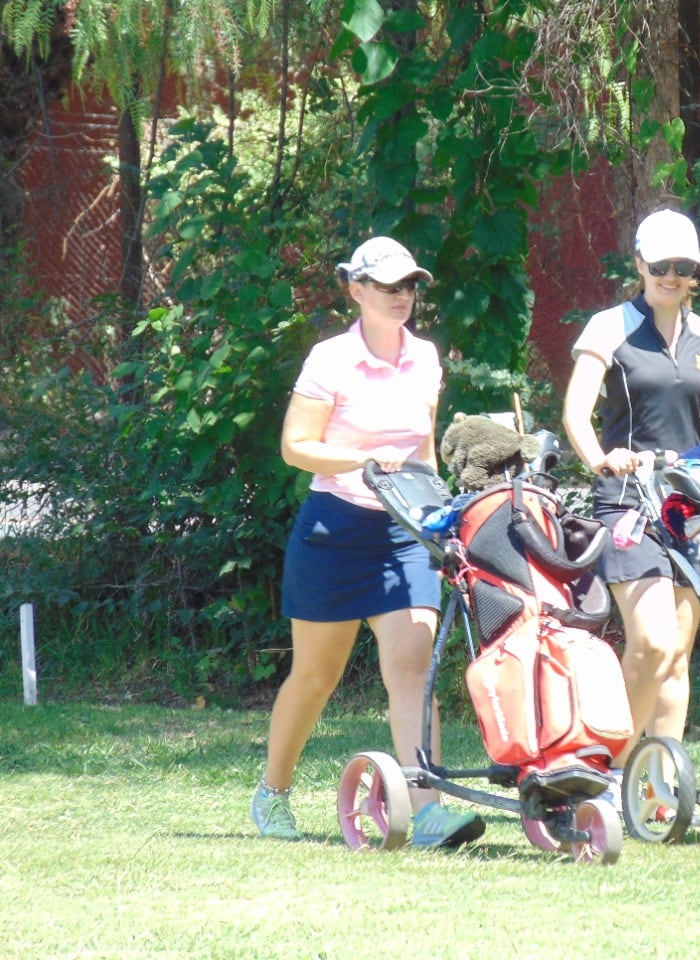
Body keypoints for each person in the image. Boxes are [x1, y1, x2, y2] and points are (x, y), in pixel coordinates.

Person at [250, 236, 484, 849]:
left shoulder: (427, 357)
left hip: (405, 532)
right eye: (386, 286)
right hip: (335, 528)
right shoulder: (329, 359)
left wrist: (440, 515)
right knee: (315, 677)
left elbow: (426, 446)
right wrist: (364, 459)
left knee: (412, 666)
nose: (401, 297)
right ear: (355, 290)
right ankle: (273, 794)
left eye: (409, 285)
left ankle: (427, 808)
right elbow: (295, 447)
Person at [562, 208, 700, 778]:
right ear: (639, 265)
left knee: (676, 656)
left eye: (683, 266)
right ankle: (603, 771)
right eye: (660, 265)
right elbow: (576, 414)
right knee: (650, 642)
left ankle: (660, 787)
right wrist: (600, 458)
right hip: (629, 502)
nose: (671, 276)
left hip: (693, 508)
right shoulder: (610, 327)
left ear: (696, 271)